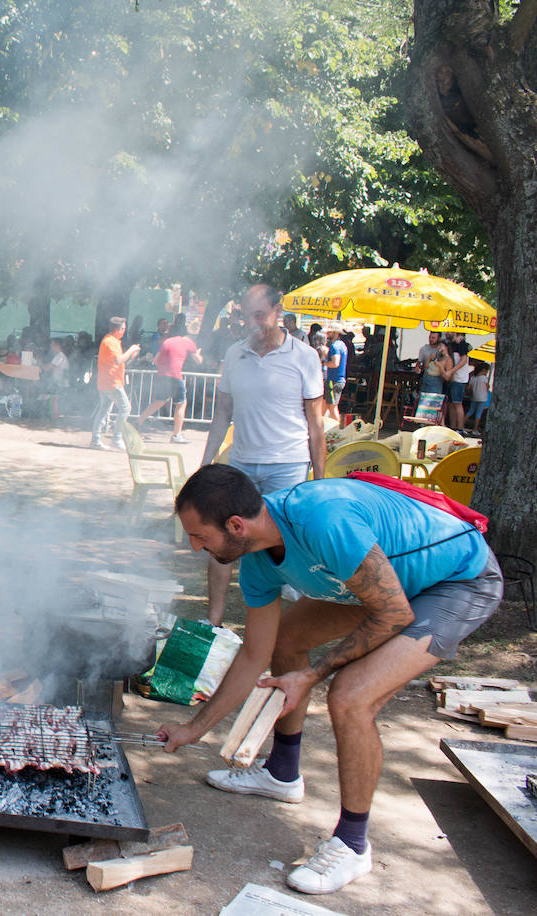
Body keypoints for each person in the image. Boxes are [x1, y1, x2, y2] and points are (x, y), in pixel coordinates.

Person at [160, 464, 501, 895]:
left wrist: (312, 675)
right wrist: (193, 729)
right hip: (382, 586)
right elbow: (254, 655)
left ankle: (353, 844)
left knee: (351, 696)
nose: (194, 547)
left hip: (457, 580)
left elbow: (395, 613)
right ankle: (282, 774)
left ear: (235, 525)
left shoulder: (323, 521)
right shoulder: (259, 561)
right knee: (285, 639)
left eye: (198, 536)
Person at [199, 284, 325, 626]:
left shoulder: (305, 357)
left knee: (286, 549)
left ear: (277, 312)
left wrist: (320, 481)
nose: (251, 323)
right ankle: (213, 622)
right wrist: (205, 464)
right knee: (221, 540)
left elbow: (316, 425)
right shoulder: (234, 354)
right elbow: (222, 415)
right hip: (241, 464)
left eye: (259, 314)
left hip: (288, 466)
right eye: (245, 315)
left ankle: (291, 630)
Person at [135, 313, 201, 443]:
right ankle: (176, 435)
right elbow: (198, 361)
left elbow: (156, 360)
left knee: (159, 401)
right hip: (176, 376)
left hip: (162, 376)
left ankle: (137, 422)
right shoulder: (187, 341)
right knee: (181, 404)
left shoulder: (166, 342)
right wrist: (199, 354)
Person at [90, 316, 141, 449]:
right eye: (124, 328)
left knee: (103, 411)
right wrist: (131, 350)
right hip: (111, 382)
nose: (124, 331)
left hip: (107, 382)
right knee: (125, 408)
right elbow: (118, 360)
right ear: (118, 330)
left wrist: (131, 354)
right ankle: (116, 438)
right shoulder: (110, 342)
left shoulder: (112, 341)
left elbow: (119, 361)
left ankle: (95, 440)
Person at [442, 332, 471, 430]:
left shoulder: (461, 343)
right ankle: (453, 427)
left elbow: (463, 360)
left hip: (459, 378)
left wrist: (451, 371)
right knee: (450, 403)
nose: (446, 333)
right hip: (451, 378)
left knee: (457, 403)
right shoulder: (450, 343)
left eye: (448, 331)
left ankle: (460, 428)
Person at [323, 325, 349, 422]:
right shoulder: (341, 345)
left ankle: (338, 432)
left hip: (334, 380)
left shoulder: (335, 346)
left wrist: (323, 362)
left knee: (332, 408)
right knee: (325, 407)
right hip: (336, 380)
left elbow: (335, 363)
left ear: (336, 333)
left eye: (330, 332)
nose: (327, 334)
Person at [417, 331, 447, 395]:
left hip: (437, 379)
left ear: (438, 338)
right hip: (426, 377)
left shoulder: (441, 350)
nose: (431, 339)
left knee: (434, 401)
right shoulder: (423, 349)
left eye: (433, 338)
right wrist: (417, 368)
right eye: (430, 337)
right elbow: (419, 364)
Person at [465, 360, 490, 433]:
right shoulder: (484, 378)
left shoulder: (473, 378)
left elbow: (468, 388)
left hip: (474, 397)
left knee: (470, 411)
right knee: (478, 414)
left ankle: (461, 425)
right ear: (484, 370)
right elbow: (487, 387)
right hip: (482, 398)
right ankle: (475, 429)